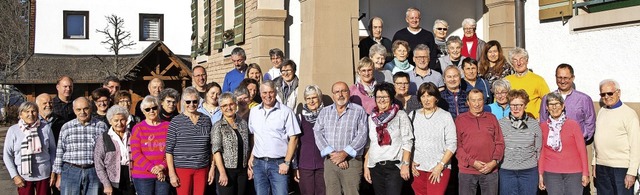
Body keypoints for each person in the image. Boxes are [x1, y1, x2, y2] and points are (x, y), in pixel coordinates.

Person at [538, 64, 597, 194]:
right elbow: (543, 121)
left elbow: (590, 123)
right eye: (559, 77)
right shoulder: (547, 98)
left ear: (572, 78)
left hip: (576, 154)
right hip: (552, 159)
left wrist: (577, 138)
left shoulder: (584, 99)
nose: (563, 81)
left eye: (566, 77)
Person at [247, 80, 301, 195]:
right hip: (259, 163)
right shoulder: (254, 112)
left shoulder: (286, 112)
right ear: (260, 94)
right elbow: (254, 136)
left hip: (279, 163)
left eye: (270, 92)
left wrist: (287, 162)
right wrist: (252, 156)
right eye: (264, 92)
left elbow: (294, 138)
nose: (267, 96)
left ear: (275, 92)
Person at [314, 81, 368, 195]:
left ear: (349, 93)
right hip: (330, 161)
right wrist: (333, 154)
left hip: (352, 162)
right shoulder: (325, 112)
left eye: (344, 91)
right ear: (333, 94)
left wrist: (344, 154)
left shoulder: (358, 111)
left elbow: (362, 135)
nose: (341, 94)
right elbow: (317, 133)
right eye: (337, 92)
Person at [363, 82, 414, 195]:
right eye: (378, 97)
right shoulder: (371, 118)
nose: (381, 100)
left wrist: (405, 164)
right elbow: (370, 143)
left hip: (394, 166)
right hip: (375, 166)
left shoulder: (400, 115)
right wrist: (366, 166)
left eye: (385, 97)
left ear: (391, 98)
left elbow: (407, 140)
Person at [53, 97, 108, 195]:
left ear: (90, 108)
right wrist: (59, 176)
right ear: (74, 110)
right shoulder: (66, 127)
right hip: (71, 170)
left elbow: (107, 152)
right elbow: (60, 152)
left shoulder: (101, 126)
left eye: (85, 108)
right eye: (78, 109)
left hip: (94, 170)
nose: (82, 112)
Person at [593, 79, 639, 194]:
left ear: (618, 92)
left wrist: (632, 172)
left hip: (621, 168)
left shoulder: (629, 114)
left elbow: (636, 145)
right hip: (602, 167)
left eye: (610, 93)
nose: (606, 96)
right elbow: (597, 139)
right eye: (603, 94)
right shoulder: (602, 111)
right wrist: (594, 163)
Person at [410, 82, 457, 195]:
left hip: (439, 167)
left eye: (429, 95)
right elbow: (407, 141)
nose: (426, 99)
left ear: (436, 97)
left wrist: (440, 165)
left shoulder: (445, 116)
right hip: (417, 168)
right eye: (423, 96)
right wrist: (410, 162)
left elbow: (452, 143)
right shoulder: (413, 115)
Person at [165, 87, 214, 195]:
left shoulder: (206, 120)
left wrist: (212, 168)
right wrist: (172, 173)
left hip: (202, 168)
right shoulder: (176, 121)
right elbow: (169, 150)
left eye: (194, 101)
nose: (191, 104)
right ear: (183, 102)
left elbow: (211, 147)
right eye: (188, 101)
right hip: (182, 169)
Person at [538, 92, 589, 195]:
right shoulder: (543, 127)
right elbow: (542, 152)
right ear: (547, 108)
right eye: (551, 104)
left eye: (557, 104)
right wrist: (540, 174)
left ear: (562, 106)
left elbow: (582, 150)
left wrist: (585, 173)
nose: (554, 107)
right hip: (551, 172)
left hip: (573, 172)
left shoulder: (573, 125)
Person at [455, 89, 504, 195]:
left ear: (484, 101)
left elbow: (499, 142)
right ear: (468, 102)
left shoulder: (492, 118)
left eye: (479, 100)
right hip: (467, 171)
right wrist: (472, 162)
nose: (476, 104)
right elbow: (457, 146)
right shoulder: (460, 120)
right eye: (473, 100)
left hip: (490, 170)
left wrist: (494, 162)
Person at [3, 102, 56, 195]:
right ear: (20, 114)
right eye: (26, 111)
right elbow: (7, 155)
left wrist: (53, 172)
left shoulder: (45, 128)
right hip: (23, 177)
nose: (30, 114)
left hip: (44, 175)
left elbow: (53, 151)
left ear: (37, 113)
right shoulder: (13, 130)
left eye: (33, 111)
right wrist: (14, 176)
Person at [497, 89, 542, 195]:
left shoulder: (534, 124)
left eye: (519, 105)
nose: (516, 108)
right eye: (513, 105)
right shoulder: (501, 124)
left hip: (529, 171)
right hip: (507, 171)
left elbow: (538, 149)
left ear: (525, 105)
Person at [130, 95, 171, 195]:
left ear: (159, 108)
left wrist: (162, 166)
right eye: (147, 109)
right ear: (143, 112)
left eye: (154, 108)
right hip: (143, 175)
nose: (151, 111)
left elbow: (172, 150)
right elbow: (136, 153)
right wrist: (153, 169)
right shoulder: (138, 128)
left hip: (163, 172)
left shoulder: (168, 126)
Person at [211, 92, 250, 195]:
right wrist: (222, 173)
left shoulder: (243, 123)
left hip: (242, 171)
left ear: (236, 104)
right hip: (227, 170)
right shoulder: (218, 126)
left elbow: (248, 145)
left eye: (231, 104)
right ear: (220, 108)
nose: (228, 107)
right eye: (224, 105)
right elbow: (216, 150)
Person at [94, 105, 134, 195]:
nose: (119, 123)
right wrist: (106, 184)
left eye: (122, 120)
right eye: (116, 120)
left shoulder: (132, 135)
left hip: (130, 178)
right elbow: (98, 163)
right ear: (110, 121)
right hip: (112, 180)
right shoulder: (104, 137)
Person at [294, 85, 326, 195]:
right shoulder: (299, 117)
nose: (311, 101)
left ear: (319, 98)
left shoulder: (327, 115)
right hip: (305, 164)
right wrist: (295, 166)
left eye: (314, 98)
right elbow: (295, 142)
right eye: (308, 98)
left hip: (324, 163)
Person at [504, 47, 549, 119]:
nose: (519, 63)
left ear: (527, 61)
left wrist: (541, 117)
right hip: (511, 122)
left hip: (533, 121)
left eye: (521, 59)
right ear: (512, 63)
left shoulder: (538, 80)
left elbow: (548, 100)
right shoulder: (506, 81)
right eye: (515, 60)